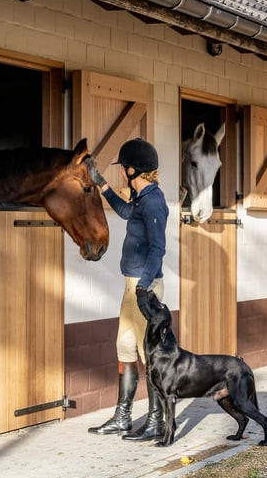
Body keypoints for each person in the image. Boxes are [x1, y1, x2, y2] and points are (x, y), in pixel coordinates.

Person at [84, 138, 168, 441]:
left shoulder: (155, 201)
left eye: (123, 170)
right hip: (131, 286)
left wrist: (144, 287)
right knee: (124, 348)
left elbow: (158, 249)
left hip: (144, 289)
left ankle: (157, 421)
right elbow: (123, 212)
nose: (123, 175)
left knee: (150, 355)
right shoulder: (142, 198)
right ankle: (123, 418)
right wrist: (102, 185)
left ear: (133, 170)